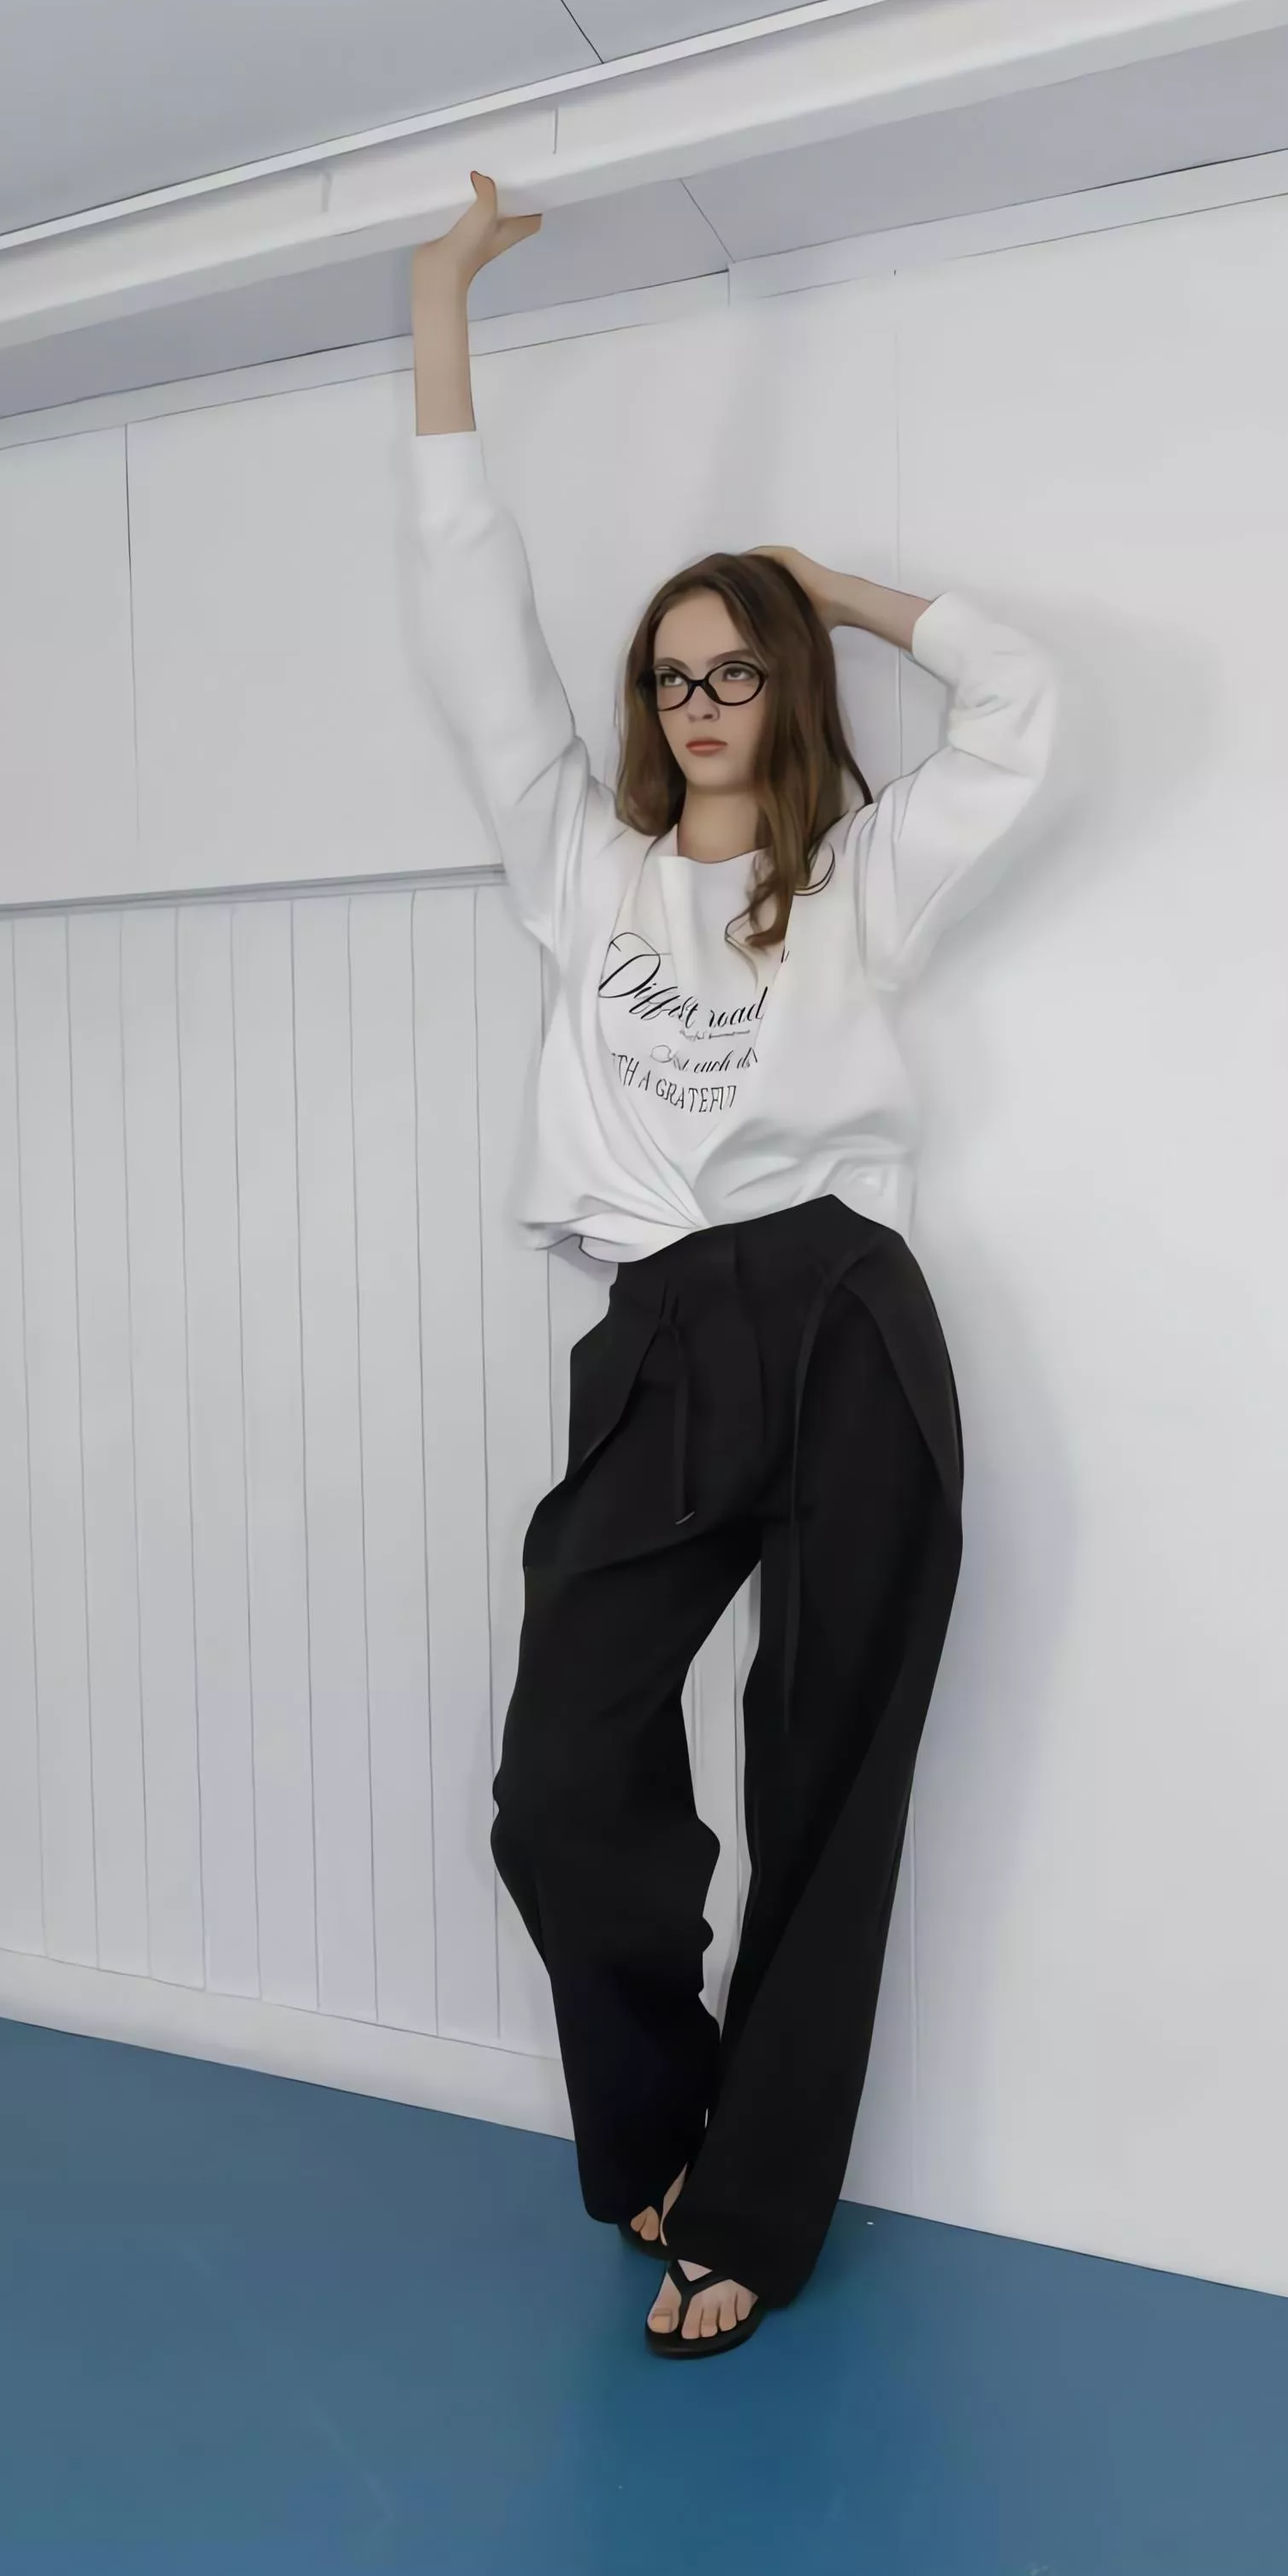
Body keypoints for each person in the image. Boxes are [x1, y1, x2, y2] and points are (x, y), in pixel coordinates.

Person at [405, 171, 1059, 2359]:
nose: (700, 699)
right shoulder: (577, 869)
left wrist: (830, 588)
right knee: (561, 1788)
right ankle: (663, 2137)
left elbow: (1024, 707)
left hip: (848, 1315)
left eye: (736, 667)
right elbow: (466, 616)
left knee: (827, 1778)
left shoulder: (865, 880)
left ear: (781, 687)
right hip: (664, 1331)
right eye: (675, 674)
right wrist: (440, 311)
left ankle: (754, 2214)